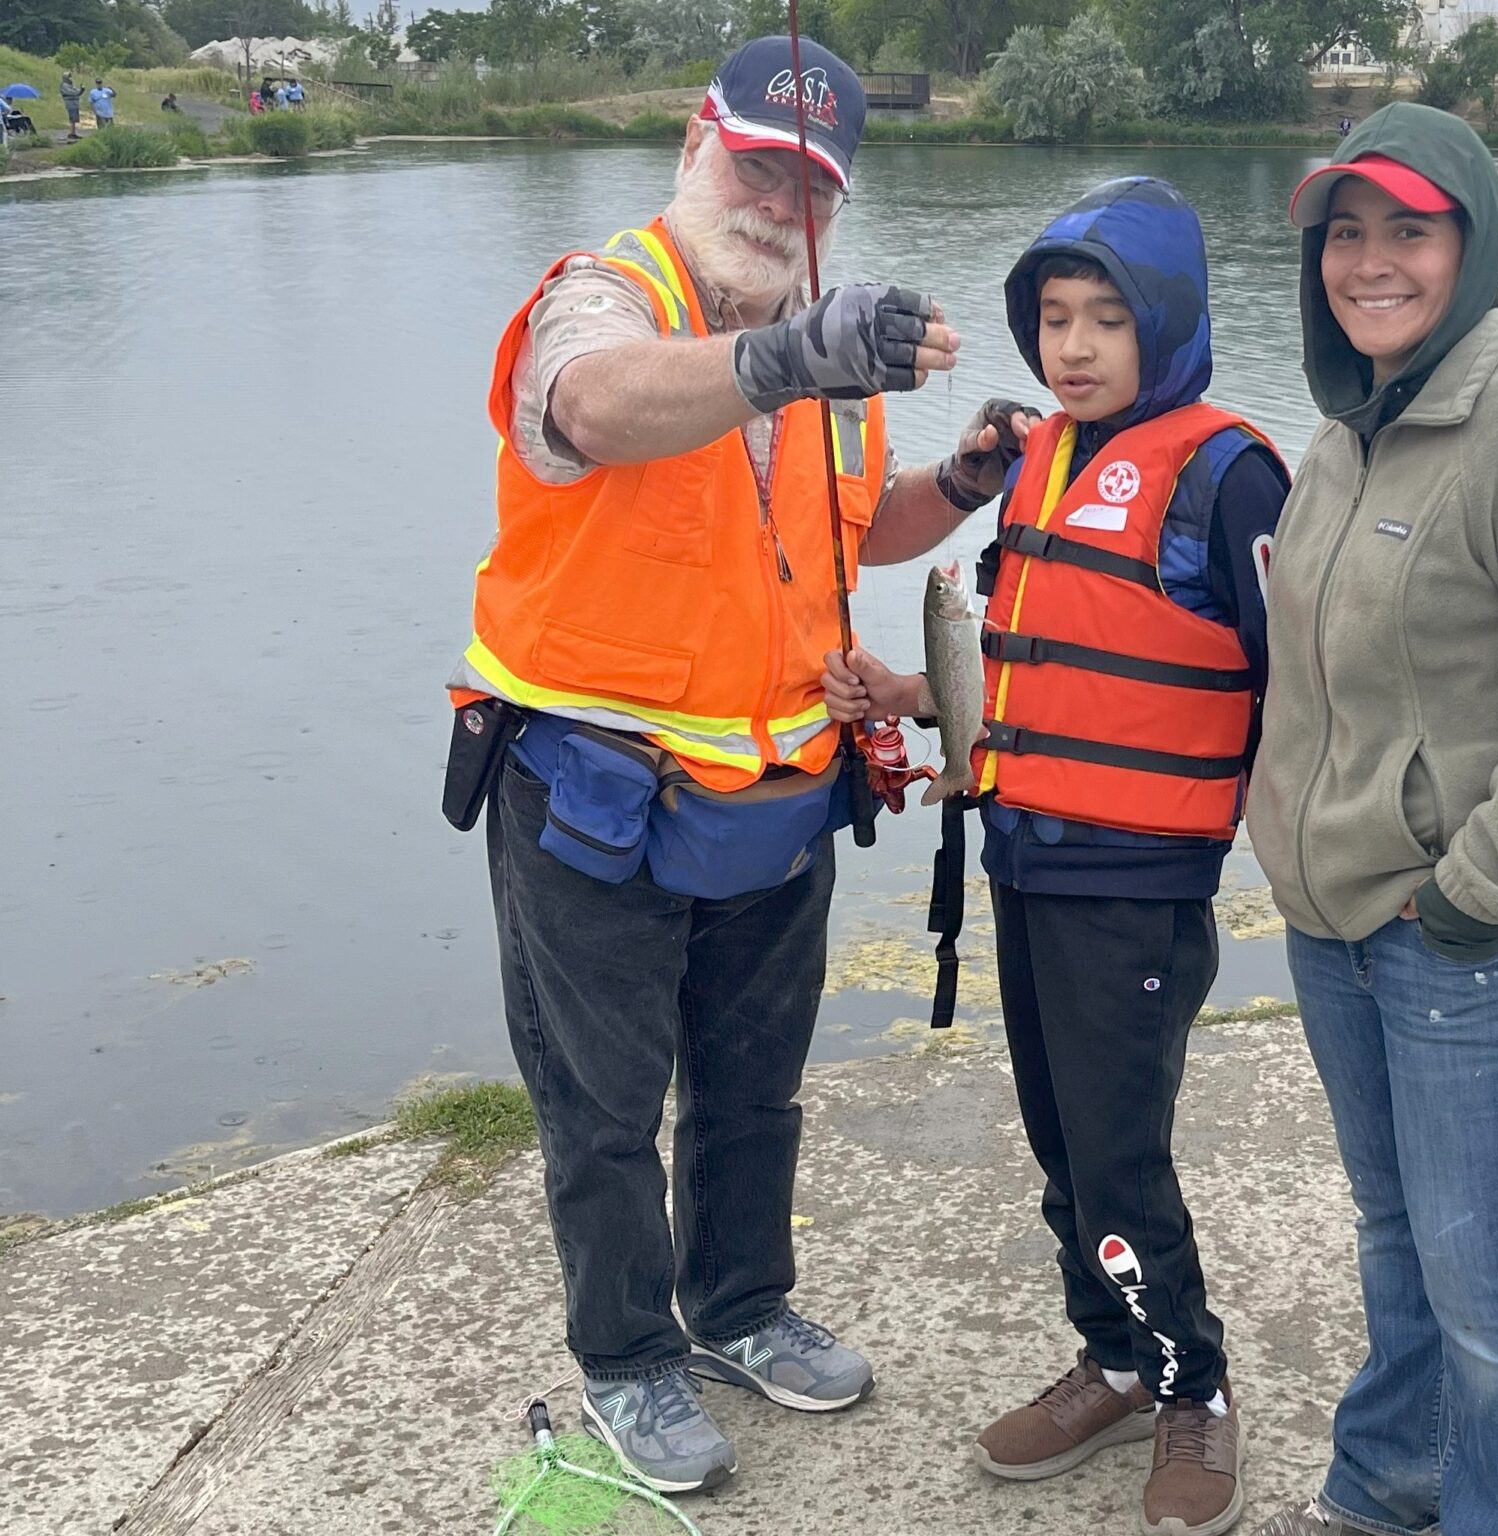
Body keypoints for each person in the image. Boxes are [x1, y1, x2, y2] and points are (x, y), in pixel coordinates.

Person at [446, 35, 1031, 1499]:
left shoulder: (831, 353)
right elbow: (594, 406)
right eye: (758, 165)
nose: (779, 205)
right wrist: (787, 354)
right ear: (695, 146)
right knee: (601, 1102)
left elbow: (847, 530)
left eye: (811, 184)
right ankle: (629, 1356)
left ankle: (742, 1308)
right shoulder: (605, 296)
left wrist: (959, 483)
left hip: (777, 797)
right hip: (593, 798)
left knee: (754, 1087)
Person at [821, 177, 1291, 1536]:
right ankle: (1113, 1357)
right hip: (1023, 865)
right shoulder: (1039, 459)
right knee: (1063, 1149)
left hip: (1136, 895)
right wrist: (909, 695)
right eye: (1053, 318)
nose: (1073, 348)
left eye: (1105, 320)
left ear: (1170, 324)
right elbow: (1028, 664)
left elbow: (1301, 684)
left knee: (1123, 1154)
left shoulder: (1227, 471)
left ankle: (1191, 1383)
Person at [1245, 103, 1498, 1536]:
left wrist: (1476, 889)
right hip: (1333, 924)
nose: (1369, 262)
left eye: (1407, 230)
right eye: (1344, 233)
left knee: (1481, 1278)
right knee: (1396, 1241)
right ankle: (1391, 1482)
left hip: (1470, 941)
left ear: (1468, 244)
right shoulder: (1344, 437)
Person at [59, 72, 82, 141]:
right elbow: (72, 92)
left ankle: (73, 133)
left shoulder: (71, 85)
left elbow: (76, 91)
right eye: (69, 77)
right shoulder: (64, 85)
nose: (70, 78)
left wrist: (81, 90)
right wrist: (79, 91)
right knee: (72, 118)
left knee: (74, 119)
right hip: (70, 103)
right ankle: (71, 133)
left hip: (75, 103)